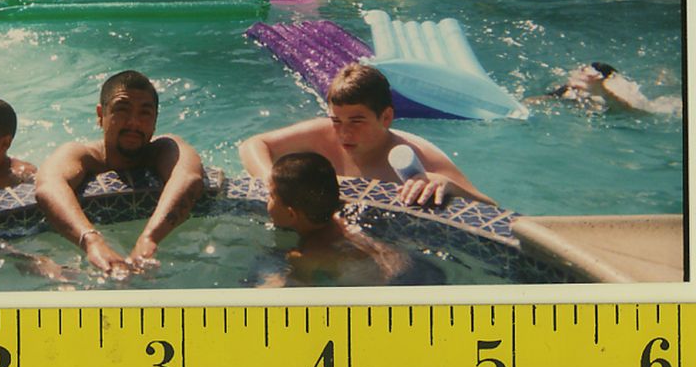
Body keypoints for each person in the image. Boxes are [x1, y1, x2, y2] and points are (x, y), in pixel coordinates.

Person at [239, 63, 495, 207]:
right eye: (337, 120)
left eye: (357, 121)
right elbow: (253, 144)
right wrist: (270, 180)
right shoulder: (323, 133)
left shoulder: (419, 156)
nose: (343, 132)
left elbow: (493, 209)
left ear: (386, 117)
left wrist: (449, 186)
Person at [35, 70, 205, 276]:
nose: (134, 122)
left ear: (156, 119)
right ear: (101, 115)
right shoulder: (81, 154)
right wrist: (92, 241)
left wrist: (149, 238)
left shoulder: (165, 148)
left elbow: (188, 178)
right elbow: (48, 186)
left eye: (145, 113)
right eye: (122, 110)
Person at [259, 153, 409, 286]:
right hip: (401, 267)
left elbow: (291, 291)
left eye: (271, 196)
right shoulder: (342, 221)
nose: (267, 199)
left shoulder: (308, 254)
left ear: (291, 214)